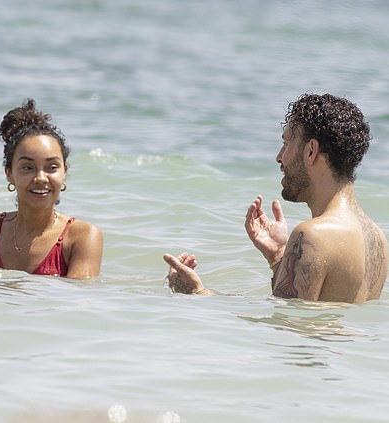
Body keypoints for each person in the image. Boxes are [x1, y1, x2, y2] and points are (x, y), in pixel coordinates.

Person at [164, 93, 388, 303]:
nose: (279, 157)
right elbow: (323, 315)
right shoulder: (377, 239)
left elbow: (280, 324)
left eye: (286, 143)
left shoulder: (313, 235)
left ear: (311, 150)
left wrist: (197, 292)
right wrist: (278, 256)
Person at [0, 99, 103, 278]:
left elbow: (74, 300)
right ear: (9, 173)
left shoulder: (82, 237)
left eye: (52, 167)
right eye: (27, 168)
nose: (40, 178)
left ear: (65, 172)